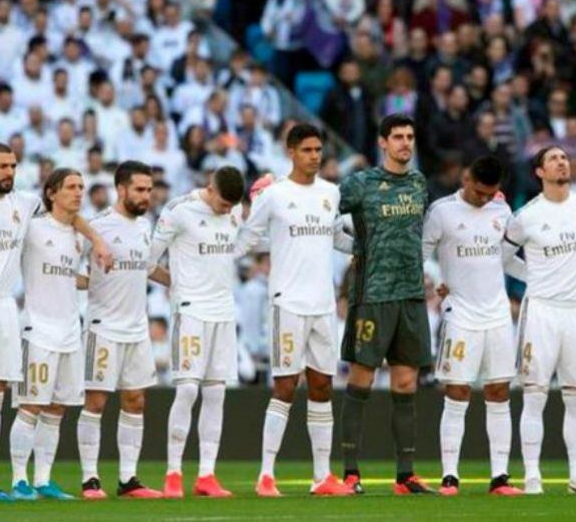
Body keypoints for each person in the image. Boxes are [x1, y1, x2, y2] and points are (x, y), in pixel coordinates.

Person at [0, 143, 110, 503]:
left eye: (13, 166)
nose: (10, 172)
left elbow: (67, 214)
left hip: (4, 309)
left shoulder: (23, 203)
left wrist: (95, 238)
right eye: (3, 166)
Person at [235, 124, 352, 497]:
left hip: (323, 305)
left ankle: (322, 477)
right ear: (290, 152)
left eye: (318, 149)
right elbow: (249, 236)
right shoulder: (273, 195)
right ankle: (266, 475)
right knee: (285, 385)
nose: (315, 156)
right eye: (307, 150)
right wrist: (216, 256)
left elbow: (335, 236)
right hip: (288, 302)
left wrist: (367, 248)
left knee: (323, 385)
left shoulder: (331, 193)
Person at [504, 146, 576, 495]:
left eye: (564, 157)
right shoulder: (526, 216)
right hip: (542, 312)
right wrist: (532, 277)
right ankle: (532, 475)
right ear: (539, 172)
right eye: (553, 159)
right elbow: (503, 257)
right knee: (535, 395)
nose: (562, 162)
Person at [338, 114, 433, 495]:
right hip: (373, 295)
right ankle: (350, 472)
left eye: (410, 136)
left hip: (411, 294)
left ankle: (405, 475)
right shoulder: (360, 184)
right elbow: (323, 214)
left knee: (407, 381)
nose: (405, 143)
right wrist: (353, 248)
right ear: (382, 142)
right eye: (397, 137)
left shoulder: (418, 182)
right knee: (361, 379)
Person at [422, 156, 524, 496]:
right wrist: (434, 280)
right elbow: (421, 252)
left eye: (490, 192)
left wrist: (539, 281)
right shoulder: (442, 211)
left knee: (498, 392)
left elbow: (508, 258)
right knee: (458, 391)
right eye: (479, 191)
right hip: (460, 313)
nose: (484, 198)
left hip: (496, 313)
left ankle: (500, 478)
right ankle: (450, 476)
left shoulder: (502, 211)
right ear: (466, 180)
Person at [150, 166, 246, 499]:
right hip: (191, 311)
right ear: (210, 187)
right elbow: (148, 260)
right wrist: (177, 285)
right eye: (223, 203)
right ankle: (173, 473)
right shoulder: (180, 210)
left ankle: (206, 475)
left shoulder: (235, 212)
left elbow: (245, 245)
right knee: (188, 390)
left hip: (223, 312)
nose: (227, 209)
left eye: (232, 205)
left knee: (216, 393)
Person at [77, 161, 169, 500]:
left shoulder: (146, 226)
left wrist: (177, 283)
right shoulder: (96, 227)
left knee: (135, 399)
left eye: (150, 190)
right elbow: (66, 268)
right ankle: (90, 479)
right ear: (121, 189)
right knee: (96, 401)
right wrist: (91, 284)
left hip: (136, 327)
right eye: (140, 190)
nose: (147, 196)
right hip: (103, 327)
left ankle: (128, 479)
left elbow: (148, 267)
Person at [8, 169, 88, 501]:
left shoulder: (79, 236)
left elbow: (70, 277)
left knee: (58, 408)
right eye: (71, 187)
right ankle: (17, 479)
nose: (78, 193)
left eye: (81, 187)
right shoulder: (34, 229)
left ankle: (43, 479)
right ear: (52, 193)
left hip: (71, 330)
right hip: (38, 330)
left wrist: (99, 282)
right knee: (31, 405)